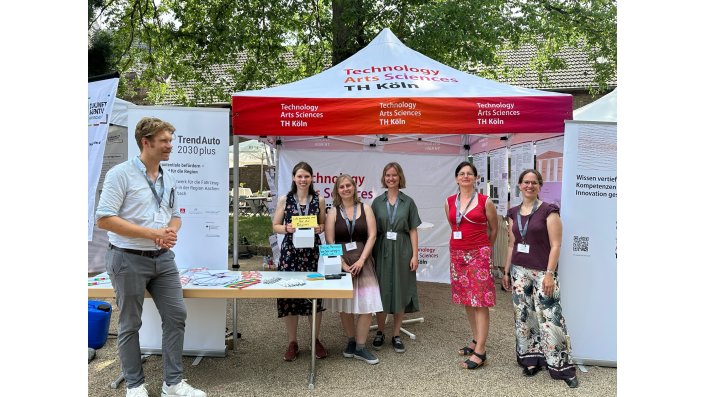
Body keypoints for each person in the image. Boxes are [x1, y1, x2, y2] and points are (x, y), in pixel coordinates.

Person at [95, 117, 206, 397]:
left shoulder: (168, 177)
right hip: (127, 257)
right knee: (130, 323)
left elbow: (175, 216)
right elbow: (104, 219)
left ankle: (173, 383)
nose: (171, 145)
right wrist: (151, 233)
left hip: (162, 258)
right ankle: (134, 385)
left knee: (177, 315)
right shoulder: (120, 174)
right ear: (146, 143)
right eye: (165, 140)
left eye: (171, 140)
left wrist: (168, 231)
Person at [501, 169, 579, 388]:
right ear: (519, 185)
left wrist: (549, 274)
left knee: (551, 319)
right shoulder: (513, 213)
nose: (529, 186)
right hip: (519, 271)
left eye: (534, 182)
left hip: (542, 272)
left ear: (539, 186)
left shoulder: (549, 211)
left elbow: (556, 245)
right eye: (525, 182)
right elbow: (511, 244)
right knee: (524, 318)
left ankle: (562, 367)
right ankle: (531, 359)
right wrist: (506, 271)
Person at [324, 174, 384, 365]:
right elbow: (330, 241)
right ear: (337, 190)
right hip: (341, 261)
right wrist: (342, 264)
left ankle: (360, 346)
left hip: (363, 260)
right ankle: (350, 341)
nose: (346, 189)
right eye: (341, 187)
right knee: (344, 305)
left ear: (354, 187)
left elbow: (372, 236)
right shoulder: (333, 212)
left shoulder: (366, 208)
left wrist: (362, 260)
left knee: (367, 304)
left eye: (348, 185)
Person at [272, 161, 328, 361]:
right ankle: (292, 342)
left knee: (314, 296)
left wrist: (319, 228)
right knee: (290, 296)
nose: (303, 180)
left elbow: (323, 224)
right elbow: (275, 226)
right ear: (294, 178)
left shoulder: (318, 200)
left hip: (312, 253)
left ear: (312, 178)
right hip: (290, 253)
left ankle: (315, 339)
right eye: (299, 176)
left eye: (306, 176)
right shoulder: (284, 200)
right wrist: (287, 228)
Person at [444, 161, 498, 370]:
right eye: (462, 173)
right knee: (467, 298)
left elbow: (494, 229)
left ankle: (481, 351)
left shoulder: (485, 201)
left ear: (475, 178)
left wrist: (484, 249)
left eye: (469, 174)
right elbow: (453, 225)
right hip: (457, 254)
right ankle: (476, 339)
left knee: (480, 301)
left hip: (478, 254)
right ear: (457, 178)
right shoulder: (449, 201)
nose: (465, 176)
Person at [370, 162, 422, 353]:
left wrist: (415, 254)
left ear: (400, 177)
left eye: (394, 175)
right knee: (381, 290)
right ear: (384, 178)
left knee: (400, 289)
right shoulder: (377, 202)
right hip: (381, 248)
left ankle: (396, 334)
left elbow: (413, 230)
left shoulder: (408, 202)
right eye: (387, 175)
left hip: (402, 249)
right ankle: (380, 331)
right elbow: (371, 231)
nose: (391, 178)